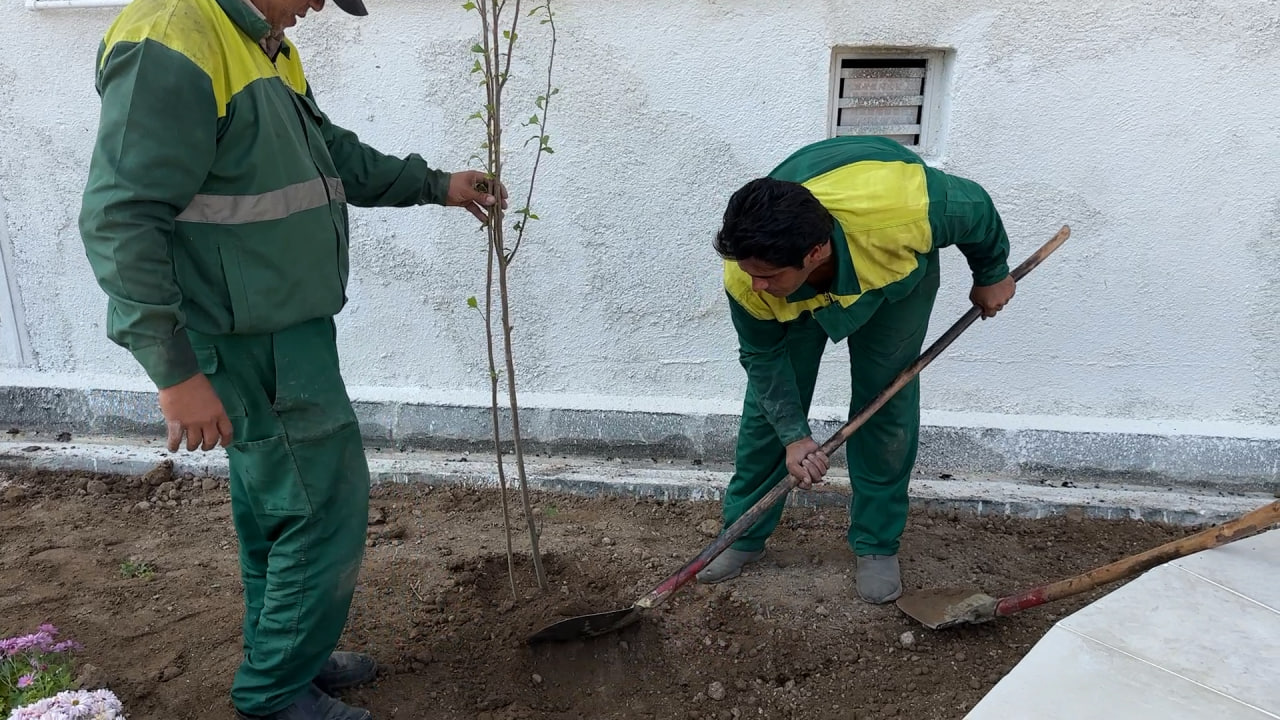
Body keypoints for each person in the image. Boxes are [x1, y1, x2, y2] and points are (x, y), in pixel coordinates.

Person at [78, 0, 504, 718]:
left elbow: (327, 154)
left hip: (282, 328)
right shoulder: (175, 35)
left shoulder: (262, 43)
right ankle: (276, 693)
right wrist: (176, 371)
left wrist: (435, 184)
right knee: (319, 506)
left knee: (276, 506)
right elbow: (119, 215)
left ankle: (290, 656)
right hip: (249, 338)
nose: (314, 7)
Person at [697, 135, 1014, 604]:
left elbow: (975, 208)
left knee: (884, 403)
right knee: (770, 413)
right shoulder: (749, 278)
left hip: (890, 281)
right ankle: (742, 534)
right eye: (749, 271)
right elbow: (763, 360)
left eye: (767, 275)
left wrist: (992, 273)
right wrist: (793, 436)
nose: (754, 284)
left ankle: (876, 544)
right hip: (804, 294)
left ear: (814, 252)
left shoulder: (905, 209)